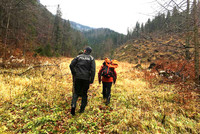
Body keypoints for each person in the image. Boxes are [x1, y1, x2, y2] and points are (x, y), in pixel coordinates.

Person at [69, 46, 96, 116]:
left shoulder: (79, 57)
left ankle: (73, 106)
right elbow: (93, 70)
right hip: (86, 78)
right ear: (90, 52)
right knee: (84, 93)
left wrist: (74, 73)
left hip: (77, 77)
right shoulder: (91, 58)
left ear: (84, 51)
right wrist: (91, 80)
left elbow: (71, 65)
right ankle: (82, 109)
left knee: (76, 93)